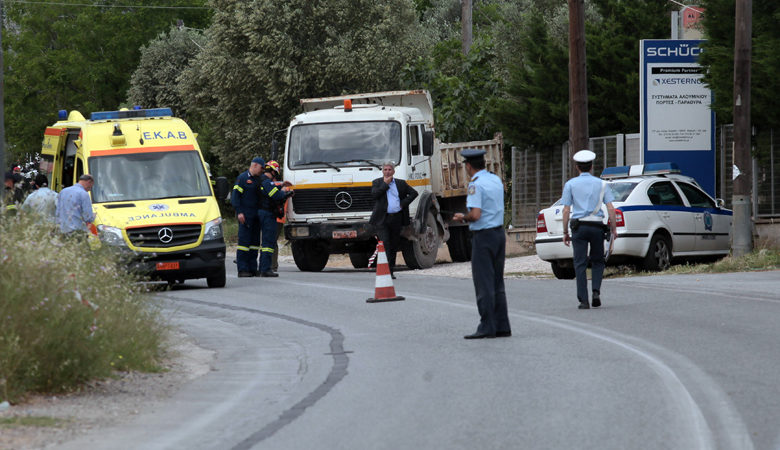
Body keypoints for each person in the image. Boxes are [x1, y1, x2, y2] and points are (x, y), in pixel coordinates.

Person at [453, 149, 511, 339]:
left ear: (468, 166)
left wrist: (463, 217)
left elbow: (476, 215)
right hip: (498, 234)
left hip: (483, 236)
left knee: (483, 282)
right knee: (497, 282)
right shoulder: (495, 180)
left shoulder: (475, 185)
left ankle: (487, 325)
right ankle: (502, 325)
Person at [561, 149, 618, 309]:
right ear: (592, 166)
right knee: (598, 261)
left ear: (577, 167)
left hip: (579, 227)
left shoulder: (570, 184)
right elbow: (611, 208)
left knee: (579, 263)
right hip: (597, 227)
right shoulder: (602, 184)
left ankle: (583, 300)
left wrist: (565, 232)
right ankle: (596, 292)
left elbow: (566, 210)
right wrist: (614, 229)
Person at [369, 162, 418, 279]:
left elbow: (413, 193)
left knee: (393, 245)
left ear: (393, 171)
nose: (387, 172)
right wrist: (385, 185)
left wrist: (403, 204)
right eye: (385, 169)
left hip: (396, 218)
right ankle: (384, 270)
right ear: (382, 171)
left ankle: (390, 271)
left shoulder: (400, 183)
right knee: (385, 243)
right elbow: (375, 195)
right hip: (382, 219)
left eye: (389, 169)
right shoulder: (377, 182)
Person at [257, 160, 294, 277]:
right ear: (273, 172)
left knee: (265, 243)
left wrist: (282, 186)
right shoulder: (267, 182)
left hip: (262, 214)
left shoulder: (260, 181)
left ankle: (263, 267)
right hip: (269, 215)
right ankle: (266, 268)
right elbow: (276, 196)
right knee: (268, 244)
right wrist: (286, 193)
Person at [231, 157, 265, 277]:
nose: (262, 170)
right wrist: (239, 212)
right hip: (245, 216)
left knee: (254, 243)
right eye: (261, 168)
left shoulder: (259, 179)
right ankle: (242, 269)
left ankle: (252, 268)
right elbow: (235, 197)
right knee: (244, 243)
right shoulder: (243, 178)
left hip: (256, 216)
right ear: (255, 165)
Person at [264, 160, 288, 272]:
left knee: (272, 242)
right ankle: (271, 264)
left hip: (277, 217)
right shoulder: (275, 184)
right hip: (274, 217)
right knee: (270, 241)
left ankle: (272, 265)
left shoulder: (279, 185)